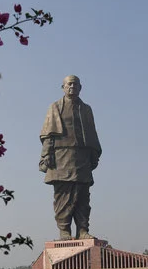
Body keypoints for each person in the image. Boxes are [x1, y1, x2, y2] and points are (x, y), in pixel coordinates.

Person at [39, 75, 102, 240]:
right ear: (63, 87)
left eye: (75, 84)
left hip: (82, 157)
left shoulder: (86, 109)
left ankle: (82, 230)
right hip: (61, 157)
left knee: (83, 195)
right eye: (69, 84)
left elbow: (92, 133)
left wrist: (93, 154)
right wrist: (46, 154)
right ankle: (64, 230)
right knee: (63, 196)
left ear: (81, 88)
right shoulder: (55, 107)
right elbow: (48, 135)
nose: (72, 86)